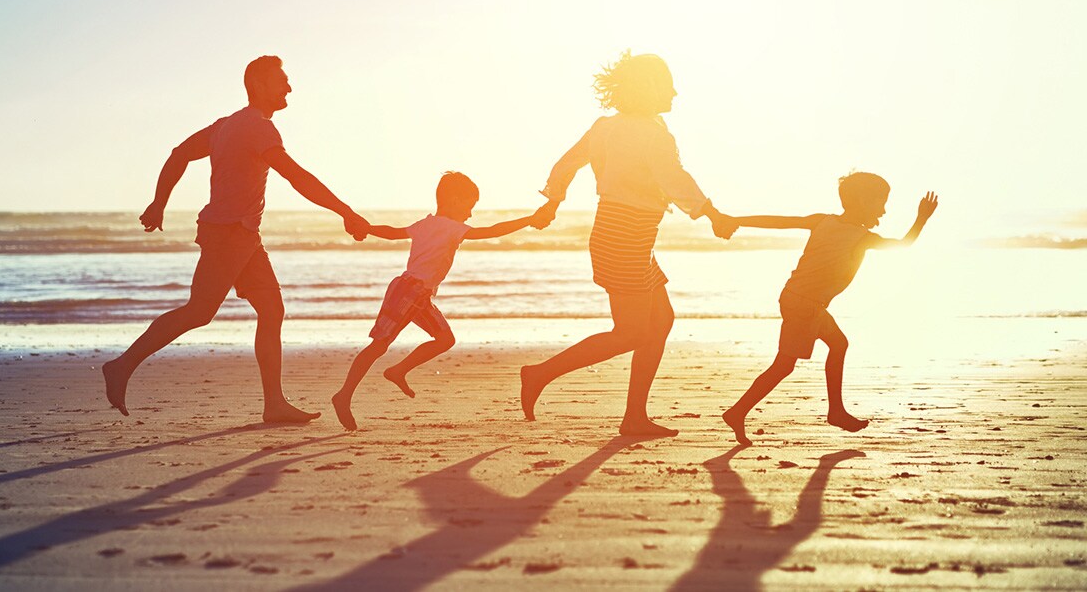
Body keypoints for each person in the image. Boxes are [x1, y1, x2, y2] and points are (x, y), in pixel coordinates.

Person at [102, 56, 370, 423]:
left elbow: (179, 153)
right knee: (199, 311)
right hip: (228, 234)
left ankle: (274, 404)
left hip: (242, 236)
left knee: (272, 309)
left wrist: (159, 201)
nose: (289, 87)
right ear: (258, 85)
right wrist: (346, 212)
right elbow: (297, 177)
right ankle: (121, 366)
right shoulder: (258, 128)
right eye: (282, 81)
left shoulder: (225, 126)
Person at [520, 51, 735, 437]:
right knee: (632, 332)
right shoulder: (653, 134)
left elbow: (566, 163)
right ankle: (540, 374)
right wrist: (712, 213)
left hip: (625, 235)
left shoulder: (607, 127)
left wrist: (553, 201)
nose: (675, 91)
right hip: (625, 236)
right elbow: (675, 178)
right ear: (648, 87)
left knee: (661, 321)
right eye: (668, 83)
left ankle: (634, 416)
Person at [721, 173, 939, 445]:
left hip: (797, 298)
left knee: (838, 343)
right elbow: (904, 244)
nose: (884, 210)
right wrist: (922, 218)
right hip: (805, 305)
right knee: (783, 366)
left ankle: (835, 411)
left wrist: (736, 220)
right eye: (880, 202)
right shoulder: (862, 237)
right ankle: (738, 411)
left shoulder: (823, 221)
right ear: (862, 201)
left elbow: (779, 222)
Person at [331, 172, 553, 431]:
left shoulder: (426, 224)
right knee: (379, 345)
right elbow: (491, 231)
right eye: (469, 206)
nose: (470, 214)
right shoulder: (450, 227)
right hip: (408, 292)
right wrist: (529, 219)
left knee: (445, 339)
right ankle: (344, 395)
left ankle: (398, 371)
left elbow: (393, 233)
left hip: (418, 295)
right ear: (455, 200)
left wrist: (367, 228)